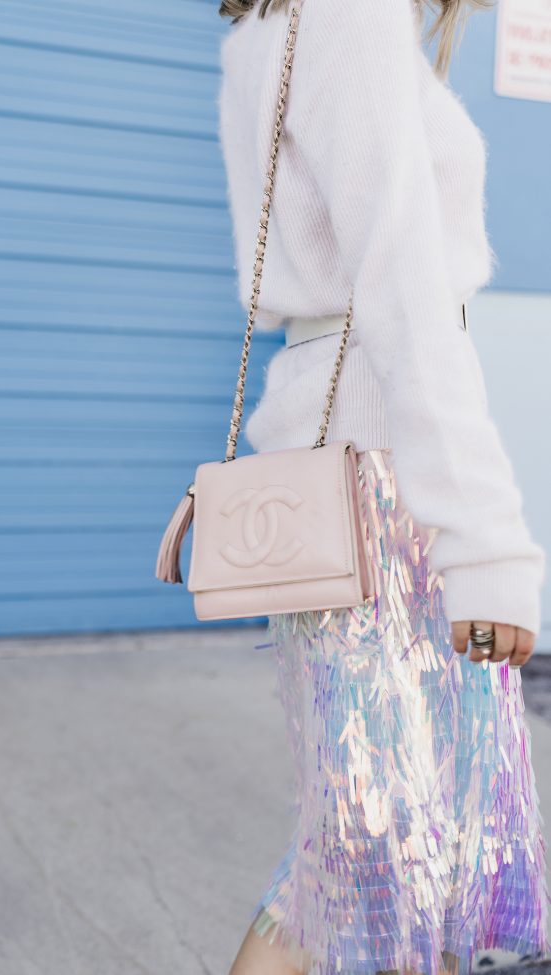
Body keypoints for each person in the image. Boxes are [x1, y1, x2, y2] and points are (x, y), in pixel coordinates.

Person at [216, 1, 549, 974]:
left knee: (372, 841)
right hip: (376, 475)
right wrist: (488, 546)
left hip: (340, 453)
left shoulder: (271, 31)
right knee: (378, 840)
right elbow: (403, 298)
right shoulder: (348, 17)